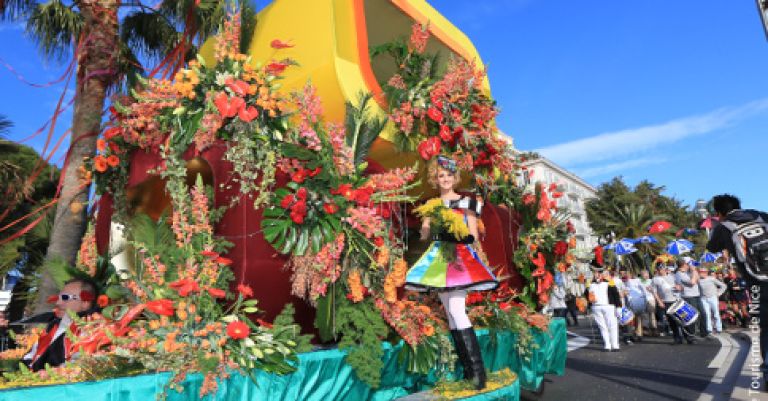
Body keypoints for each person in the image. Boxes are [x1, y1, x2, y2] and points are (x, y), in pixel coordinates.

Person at [404, 155, 498, 390]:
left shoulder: (468, 203)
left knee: (457, 310)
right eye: (440, 176)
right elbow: (425, 234)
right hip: (438, 260)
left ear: (455, 177)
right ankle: (470, 372)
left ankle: (479, 374)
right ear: (435, 179)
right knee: (450, 313)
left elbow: (473, 235)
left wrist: (458, 234)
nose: (444, 179)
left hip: (459, 260)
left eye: (448, 175)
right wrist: (425, 228)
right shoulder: (432, 205)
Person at [706, 194, 768, 387]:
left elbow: (711, 247)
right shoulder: (759, 216)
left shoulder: (724, 227)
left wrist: (718, 226)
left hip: (758, 283)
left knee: (766, 328)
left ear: (719, 213)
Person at [0, 278, 99, 371]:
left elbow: (80, 364)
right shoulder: (54, 325)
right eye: (59, 297)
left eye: (65, 297)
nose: (58, 303)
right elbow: (31, 356)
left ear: (85, 302)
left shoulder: (93, 328)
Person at [588, 270, 622, 352]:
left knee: (612, 326)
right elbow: (588, 296)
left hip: (609, 306)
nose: (597, 275)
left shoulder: (610, 282)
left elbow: (616, 294)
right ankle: (607, 344)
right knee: (602, 327)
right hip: (596, 307)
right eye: (596, 273)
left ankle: (615, 345)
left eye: (599, 273)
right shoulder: (591, 284)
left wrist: (618, 307)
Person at [675, 257, 707, 340]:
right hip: (688, 297)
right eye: (688, 263)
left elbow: (698, 279)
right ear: (684, 264)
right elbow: (692, 282)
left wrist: (694, 272)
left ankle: (704, 333)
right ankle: (690, 336)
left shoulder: (688, 272)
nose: (690, 265)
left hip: (696, 295)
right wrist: (694, 271)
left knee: (703, 314)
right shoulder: (679, 274)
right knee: (691, 317)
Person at [697, 267, 727, 335]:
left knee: (716, 313)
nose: (700, 273)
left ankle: (719, 328)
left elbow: (723, 286)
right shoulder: (698, 280)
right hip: (703, 298)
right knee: (707, 314)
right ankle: (709, 329)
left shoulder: (712, 279)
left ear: (706, 273)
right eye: (700, 272)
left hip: (713, 298)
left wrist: (719, 293)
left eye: (702, 272)